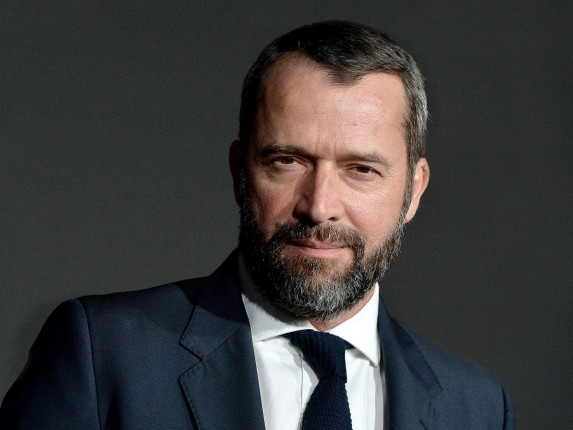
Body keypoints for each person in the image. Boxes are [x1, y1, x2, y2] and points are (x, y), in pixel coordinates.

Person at [0, 20, 515, 429]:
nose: (319, 206)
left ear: (414, 190)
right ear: (239, 172)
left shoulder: (477, 408)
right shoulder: (102, 356)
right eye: (287, 161)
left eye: (361, 170)